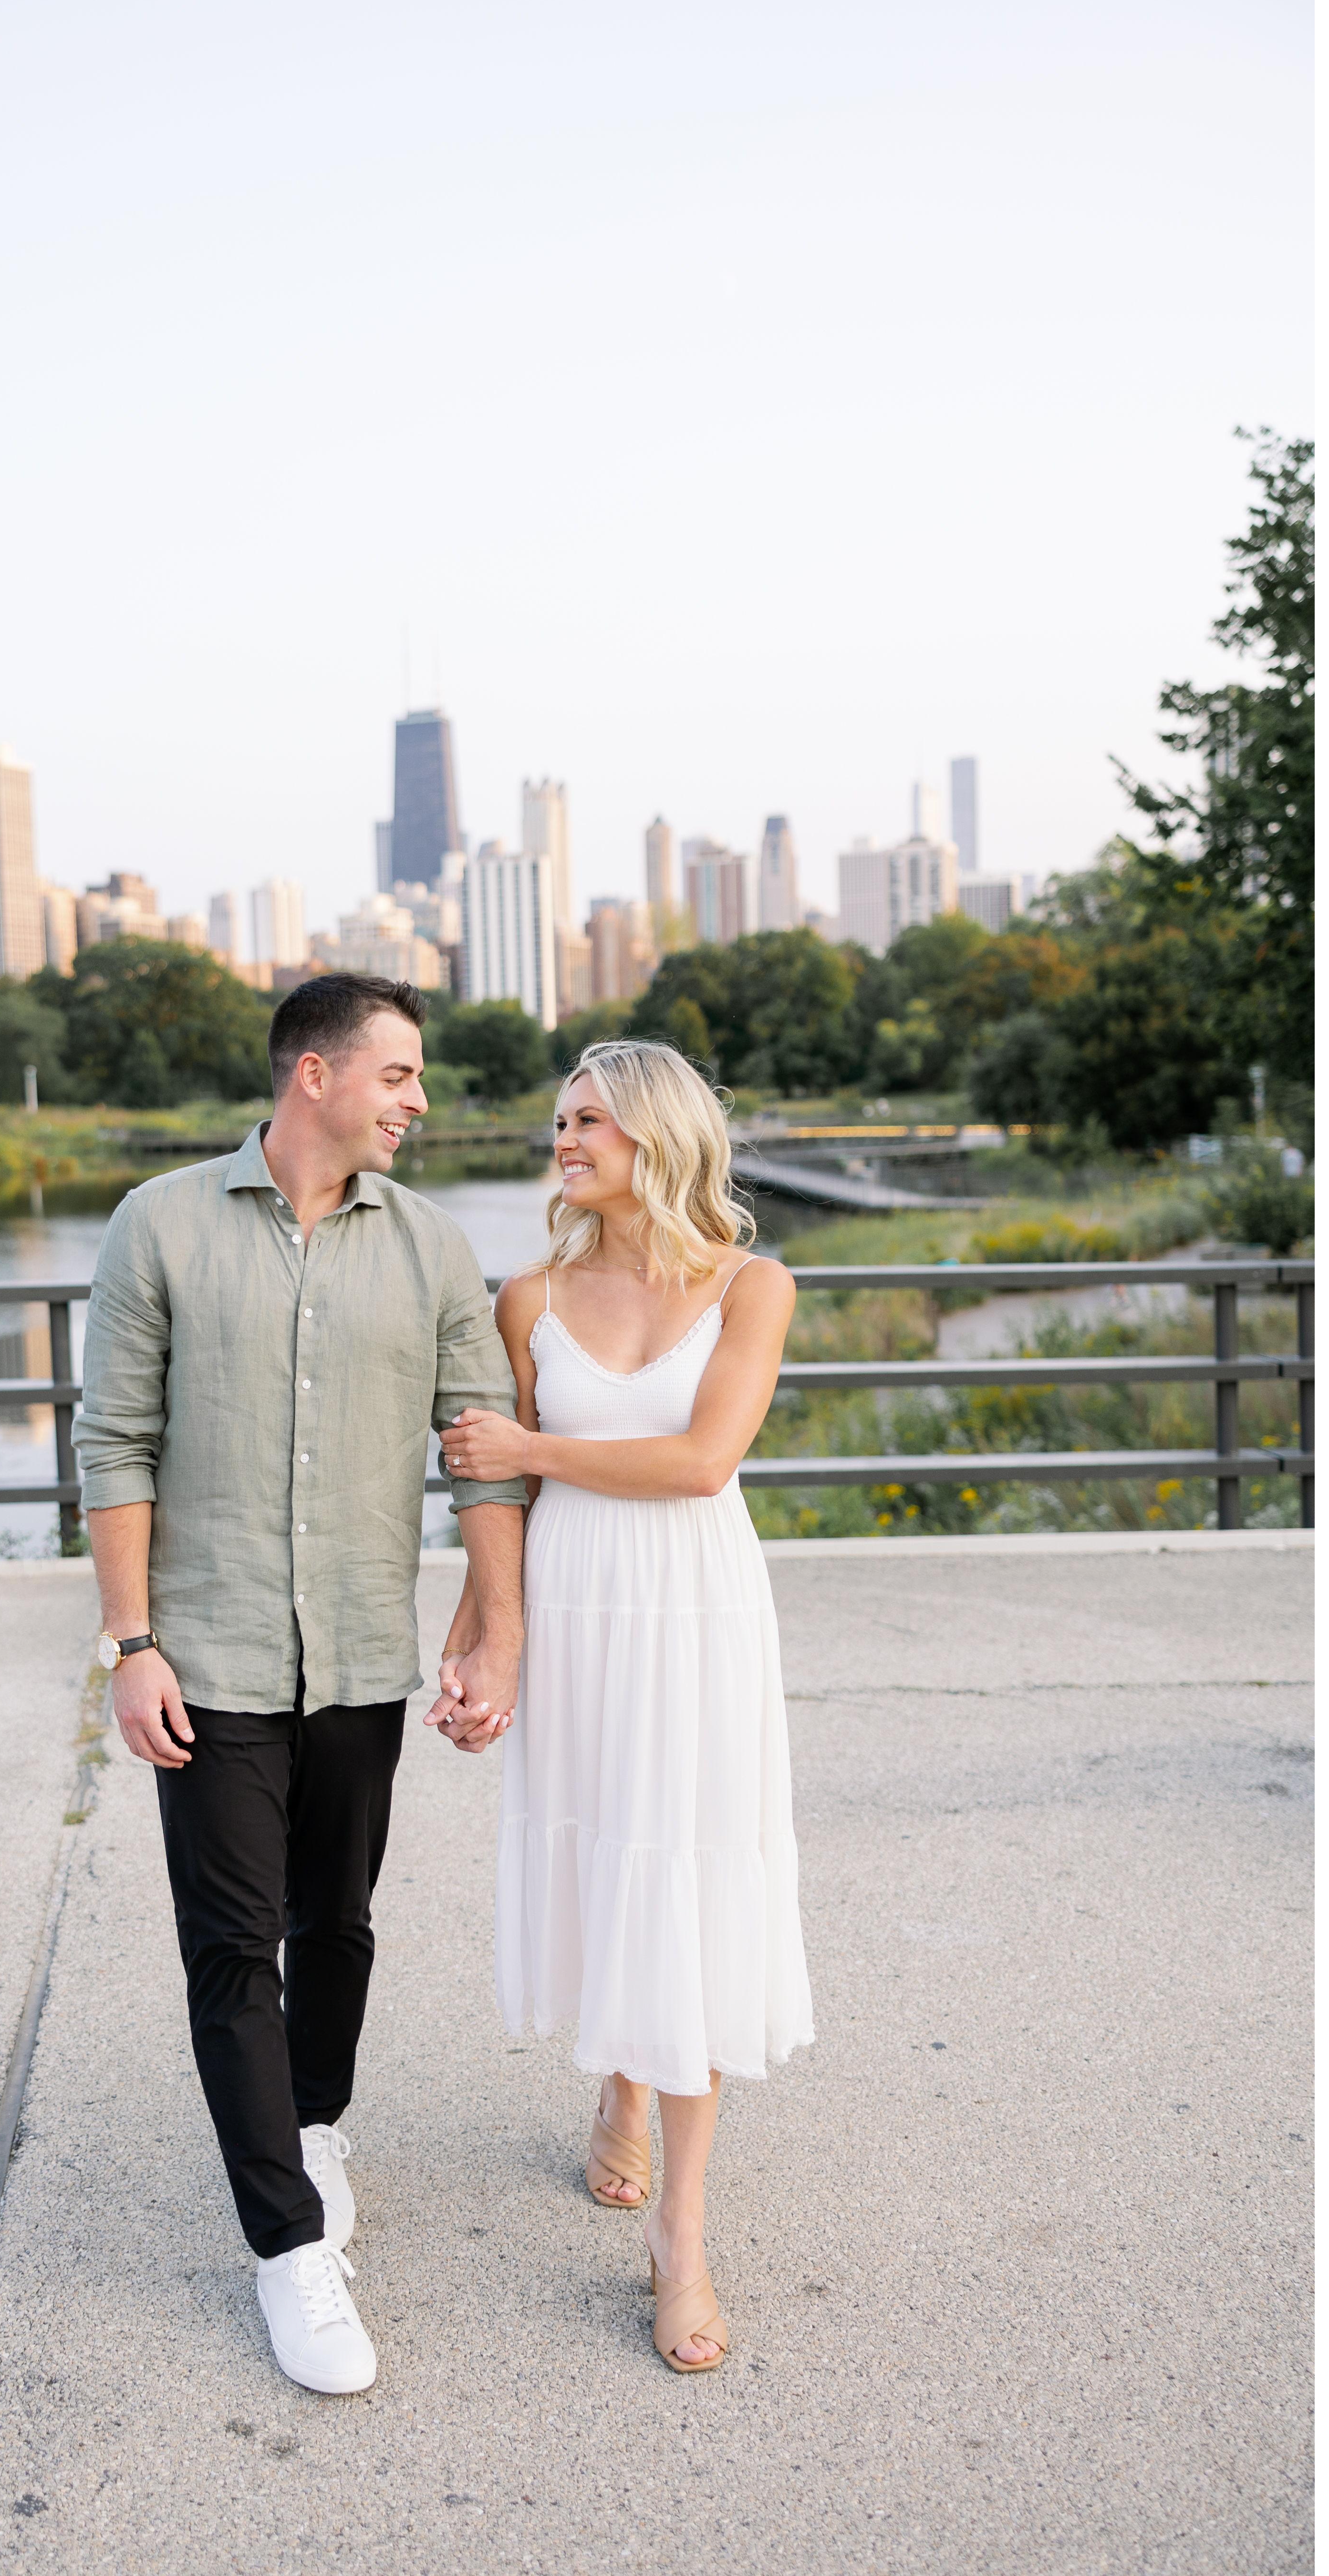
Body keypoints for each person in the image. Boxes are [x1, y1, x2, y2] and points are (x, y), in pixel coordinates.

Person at [74, 971, 528, 2396]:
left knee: (335, 1924)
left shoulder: (434, 1246)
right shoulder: (158, 1224)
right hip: (206, 1660)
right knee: (231, 1949)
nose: (419, 1100)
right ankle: (287, 2248)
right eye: (400, 1074)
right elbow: (115, 1445)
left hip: (360, 1655)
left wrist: (496, 1631)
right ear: (315, 1076)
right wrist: (131, 1644)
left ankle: (315, 2126)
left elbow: (481, 1451)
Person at [438, 1038, 813, 2374]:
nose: (564, 1139)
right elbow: (506, 1496)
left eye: (589, 1119)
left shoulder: (753, 1285)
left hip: (697, 1613)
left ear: (657, 1133)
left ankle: (682, 2237)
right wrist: (478, 1639)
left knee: (688, 1877)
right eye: (560, 1119)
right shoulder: (528, 1299)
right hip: (578, 1605)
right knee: (610, 1853)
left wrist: (529, 1442)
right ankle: (620, 2085)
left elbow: (705, 1461)